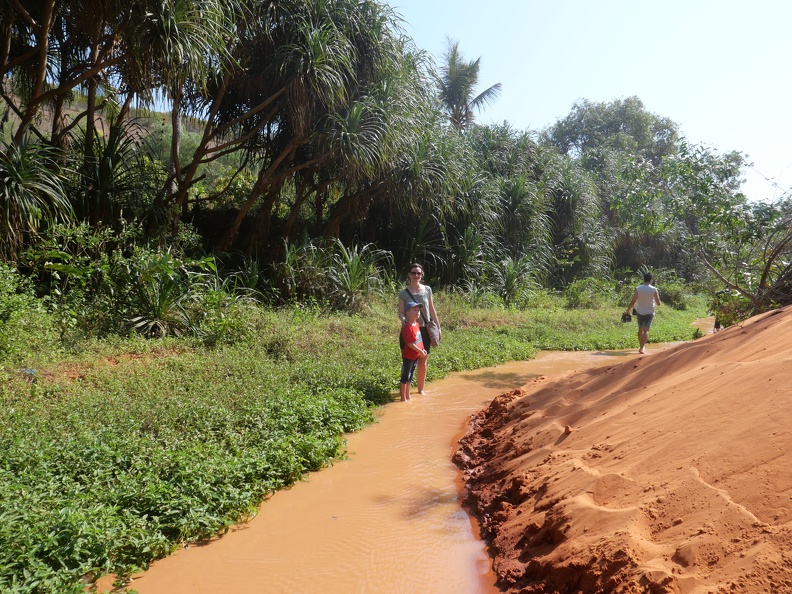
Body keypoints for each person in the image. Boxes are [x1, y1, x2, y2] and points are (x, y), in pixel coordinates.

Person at [397, 263, 441, 395]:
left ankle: (421, 389)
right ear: (409, 275)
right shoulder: (403, 293)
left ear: (422, 275)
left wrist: (438, 328)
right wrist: (403, 319)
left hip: (424, 330)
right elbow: (400, 311)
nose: (416, 275)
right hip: (411, 330)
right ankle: (405, 392)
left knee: (423, 358)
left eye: (419, 273)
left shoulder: (427, 290)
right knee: (409, 360)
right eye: (413, 273)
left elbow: (432, 310)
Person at [624, 272, 662, 354]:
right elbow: (658, 303)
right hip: (649, 312)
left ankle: (642, 346)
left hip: (639, 312)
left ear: (644, 279)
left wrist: (627, 311)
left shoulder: (638, 288)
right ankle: (641, 348)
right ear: (651, 280)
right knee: (646, 331)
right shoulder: (654, 289)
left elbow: (633, 301)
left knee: (640, 330)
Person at [399, 301, 427, 401]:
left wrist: (422, 350)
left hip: (415, 355)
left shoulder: (416, 324)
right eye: (414, 310)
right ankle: (403, 398)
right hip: (408, 355)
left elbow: (419, 340)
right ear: (408, 313)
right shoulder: (407, 327)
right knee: (405, 377)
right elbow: (410, 344)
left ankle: (408, 396)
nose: (417, 312)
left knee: (410, 376)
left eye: (418, 310)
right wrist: (420, 351)